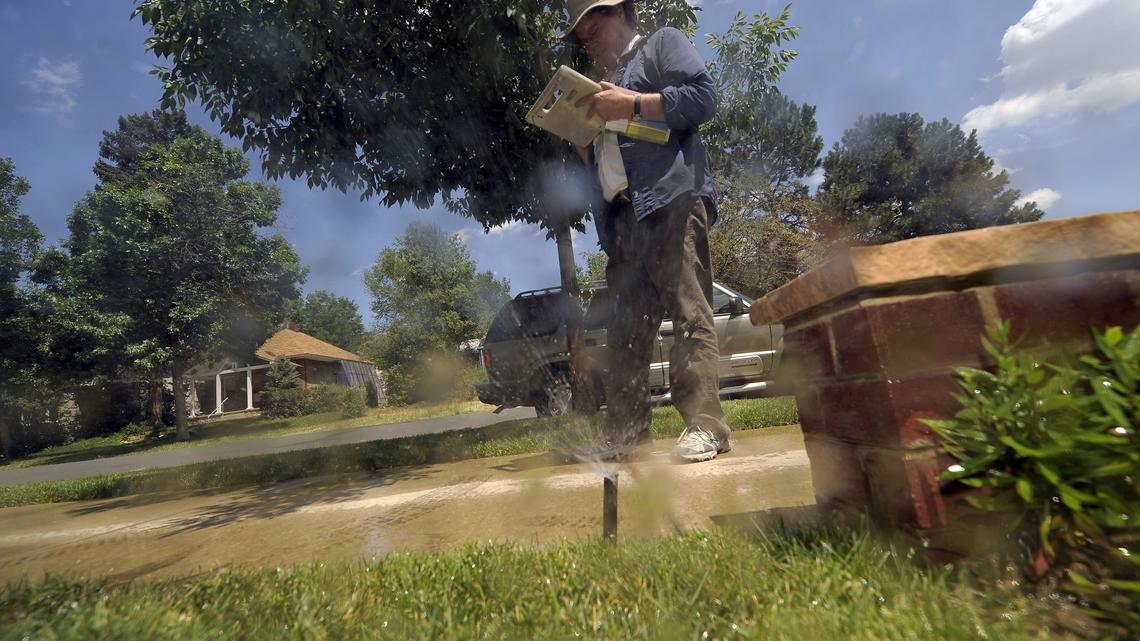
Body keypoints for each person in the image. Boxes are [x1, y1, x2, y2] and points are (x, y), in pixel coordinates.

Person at [564, 0, 730, 463]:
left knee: (689, 313)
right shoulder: (599, 90)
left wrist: (632, 103)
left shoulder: (661, 45)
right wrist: (584, 144)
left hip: (671, 203)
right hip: (623, 220)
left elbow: (704, 97)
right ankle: (627, 434)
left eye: (591, 30)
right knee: (626, 335)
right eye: (582, 39)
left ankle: (707, 427)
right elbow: (609, 167)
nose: (588, 43)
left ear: (618, 14)